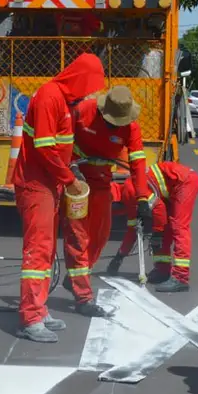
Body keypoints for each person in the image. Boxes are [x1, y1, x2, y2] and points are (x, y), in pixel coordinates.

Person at [13, 53, 105, 343]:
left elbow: (61, 146)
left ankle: (39, 310)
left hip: (49, 185)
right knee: (38, 252)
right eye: (88, 86)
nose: (88, 93)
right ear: (79, 78)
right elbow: (43, 147)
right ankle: (30, 317)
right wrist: (70, 179)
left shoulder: (63, 101)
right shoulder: (49, 98)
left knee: (47, 250)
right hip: (36, 185)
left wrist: (66, 175)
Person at [61, 86, 151, 313]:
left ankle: (76, 278)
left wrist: (142, 199)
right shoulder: (82, 111)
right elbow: (62, 141)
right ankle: (83, 297)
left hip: (102, 183)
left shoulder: (131, 127)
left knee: (101, 234)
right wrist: (71, 169)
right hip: (76, 182)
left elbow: (138, 163)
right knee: (78, 235)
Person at [108, 161, 198, 292]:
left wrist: (156, 234)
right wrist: (119, 256)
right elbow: (132, 231)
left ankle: (181, 277)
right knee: (165, 228)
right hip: (174, 185)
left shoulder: (130, 191)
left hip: (184, 182)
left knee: (179, 227)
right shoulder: (126, 196)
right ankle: (162, 270)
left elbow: (159, 209)